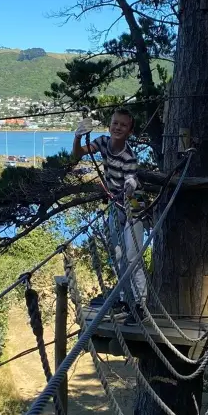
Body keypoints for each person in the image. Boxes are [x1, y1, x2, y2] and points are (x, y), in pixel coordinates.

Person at [73, 109, 150, 325]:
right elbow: (78, 154)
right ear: (109, 126)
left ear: (129, 131)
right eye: (115, 123)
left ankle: (141, 305)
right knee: (118, 255)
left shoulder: (129, 157)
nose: (118, 128)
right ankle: (126, 300)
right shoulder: (103, 143)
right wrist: (78, 136)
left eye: (123, 125)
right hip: (117, 205)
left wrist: (130, 185)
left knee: (132, 255)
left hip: (133, 207)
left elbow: (131, 179)